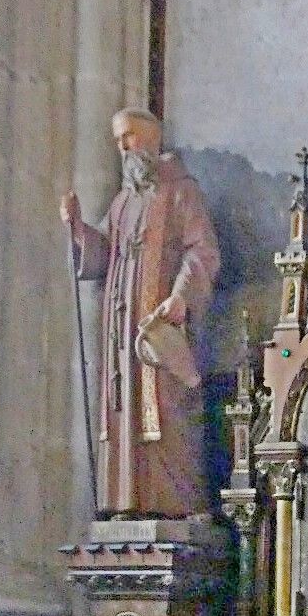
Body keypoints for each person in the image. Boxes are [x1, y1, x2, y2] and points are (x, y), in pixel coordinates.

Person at [60, 108, 221, 519]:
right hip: (120, 322)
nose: (122, 146)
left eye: (128, 136)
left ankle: (179, 504)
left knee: (168, 410)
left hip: (158, 321)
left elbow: (202, 250)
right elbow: (102, 255)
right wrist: (78, 229)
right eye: (118, 139)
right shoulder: (123, 201)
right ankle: (128, 501)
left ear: (151, 138)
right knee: (123, 410)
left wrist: (181, 296)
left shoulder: (182, 191)